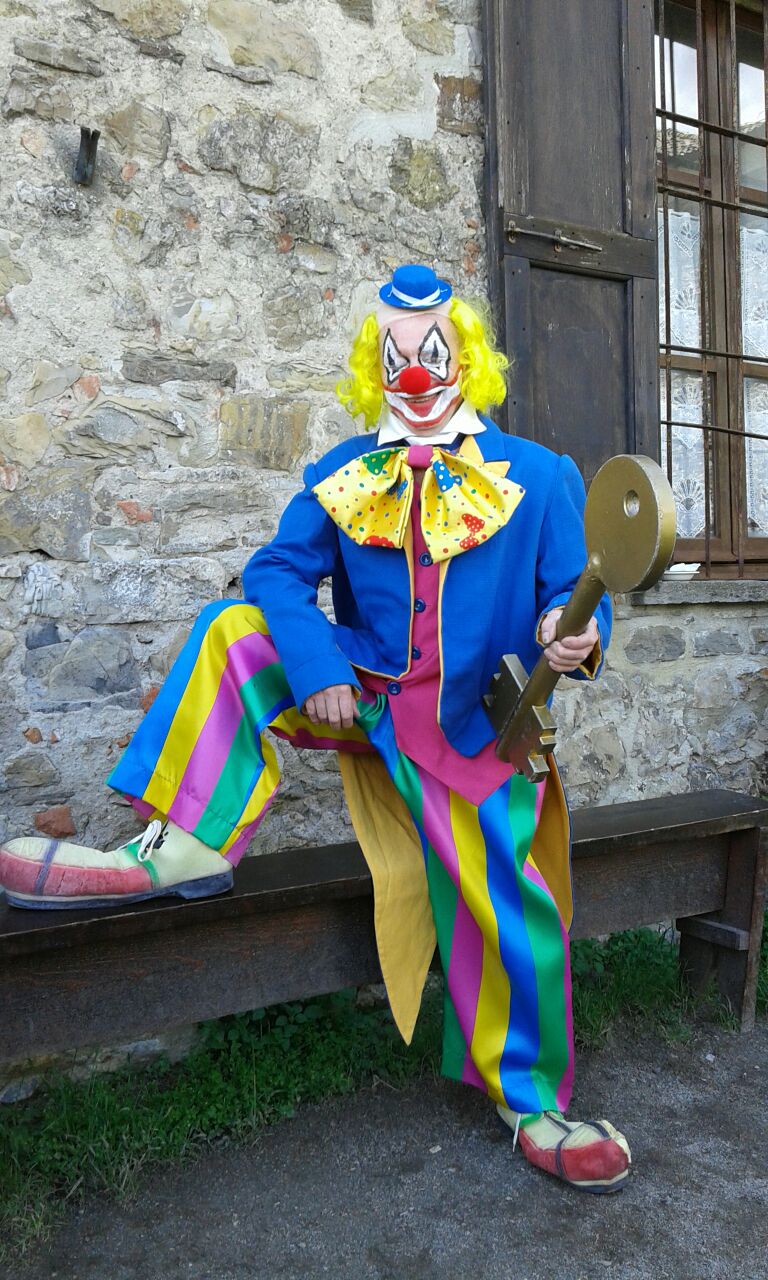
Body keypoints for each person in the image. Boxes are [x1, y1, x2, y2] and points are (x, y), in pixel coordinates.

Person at [1, 264, 630, 1192]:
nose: (415, 374)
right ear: (374, 370)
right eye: (396, 358)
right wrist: (319, 665)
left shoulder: (539, 476)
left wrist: (572, 634)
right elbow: (274, 573)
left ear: (467, 359)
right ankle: (185, 839)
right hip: (363, 698)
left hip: (472, 732)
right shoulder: (341, 473)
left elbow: (577, 597)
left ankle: (531, 1102)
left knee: (509, 902)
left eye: (433, 354)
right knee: (236, 632)